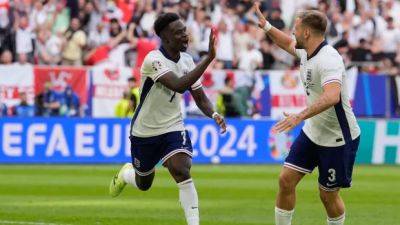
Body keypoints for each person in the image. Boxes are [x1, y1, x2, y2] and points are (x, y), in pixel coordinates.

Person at [109, 13, 226, 225]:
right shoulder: (153, 59)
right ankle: (127, 174)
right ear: (166, 37)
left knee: (181, 169)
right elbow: (179, 85)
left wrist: (214, 114)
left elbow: (199, 97)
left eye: (185, 30)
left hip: (173, 126)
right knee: (144, 183)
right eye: (179, 32)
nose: (185, 35)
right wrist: (208, 58)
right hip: (144, 131)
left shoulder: (188, 61)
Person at [253, 3, 361, 225]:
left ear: (307, 32)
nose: (293, 31)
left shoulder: (329, 58)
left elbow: (332, 96)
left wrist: (298, 116)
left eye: (296, 27)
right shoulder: (307, 50)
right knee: (285, 180)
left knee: (328, 196)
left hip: (337, 138)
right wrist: (266, 26)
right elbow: (286, 42)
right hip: (313, 132)